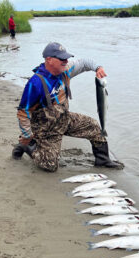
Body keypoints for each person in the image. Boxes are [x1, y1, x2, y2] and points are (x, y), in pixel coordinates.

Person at [12, 42, 124, 172]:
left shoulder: (65, 70)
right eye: (61, 58)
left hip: (65, 119)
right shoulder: (35, 83)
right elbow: (23, 112)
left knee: (94, 126)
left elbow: (84, 63)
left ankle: (103, 160)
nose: (66, 61)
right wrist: (27, 136)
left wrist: (98, 68)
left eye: (66, 58)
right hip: (46, 129)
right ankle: (28, 147)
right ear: (49, 60)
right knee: (49, 166)